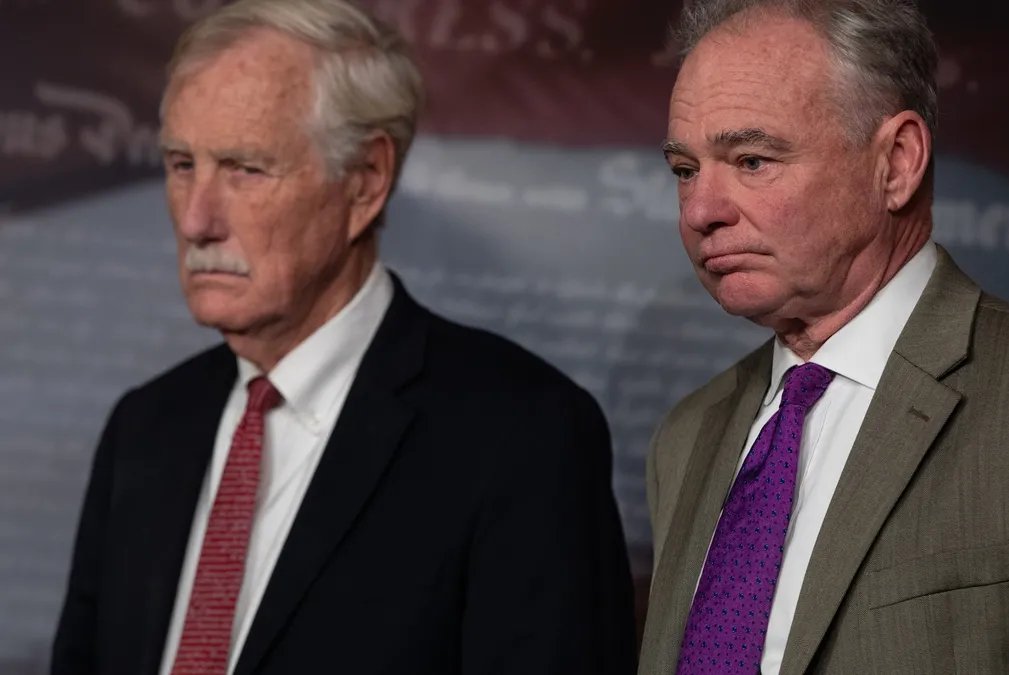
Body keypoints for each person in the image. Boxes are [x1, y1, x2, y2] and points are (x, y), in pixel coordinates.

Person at [50, 1, 636, 673]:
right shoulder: (144, 429)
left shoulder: (522, 435)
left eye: (244, 168)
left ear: (365, 181)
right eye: (183, 164)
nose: (197, 219)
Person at [638, 1, 1009, 673]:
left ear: (897, 163)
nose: (701, 209)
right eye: (684, 170)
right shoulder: (687, 436)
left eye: (752, 160)